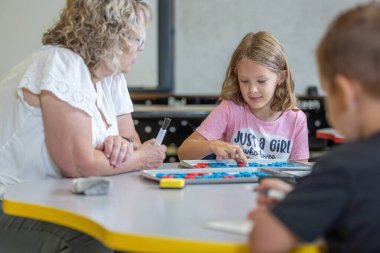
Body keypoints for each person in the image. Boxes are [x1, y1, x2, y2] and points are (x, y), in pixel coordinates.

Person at [0, 0, 166, 252]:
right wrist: (141, 158)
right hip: (10, 204)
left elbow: (130, 138)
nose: (140, 49)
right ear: (111, 36)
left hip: (53, 201)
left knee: (132, 227)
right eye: (136, 40)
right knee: (94, 239)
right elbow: (78, 164)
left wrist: (124, 145)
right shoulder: (62, 63)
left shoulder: (108, 75)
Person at [249, 2, 380, 253]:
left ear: (344, 93)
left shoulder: (346, 167)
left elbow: (266, 242)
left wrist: (283, 209)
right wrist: (302, 199)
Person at [177, 32, 309, 165]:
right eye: (244, 81)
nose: (252, 90)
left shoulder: (296, 119)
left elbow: (301, 172)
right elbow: (183, 152)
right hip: (232, 185)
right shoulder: (229, 108)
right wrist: (212, 145)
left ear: (280, 77)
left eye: (262, 81)